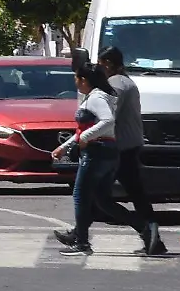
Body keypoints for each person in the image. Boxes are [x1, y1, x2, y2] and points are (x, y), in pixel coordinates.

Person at [50, 64, 130, 256]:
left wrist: (85, 138)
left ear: (84, 80)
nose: (75, 81)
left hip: (98, 152)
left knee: (80, 196)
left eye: (76, 77)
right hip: (105, 150)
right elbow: (82, 131)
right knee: (100, 199)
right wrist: (65, 146)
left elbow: (107, 121)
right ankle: (78, 235)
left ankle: (82, 242)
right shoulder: (98, 96)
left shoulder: (96, 98)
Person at [96, 47, 165, 255]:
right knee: (136, 193)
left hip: (120, 146)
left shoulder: (116, 83)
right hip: (129, 144)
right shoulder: (126, 81)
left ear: (107, 64)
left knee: (99, 195)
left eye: (101, 65)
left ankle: (146, 230)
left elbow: (107, 113)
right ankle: (153, 237)